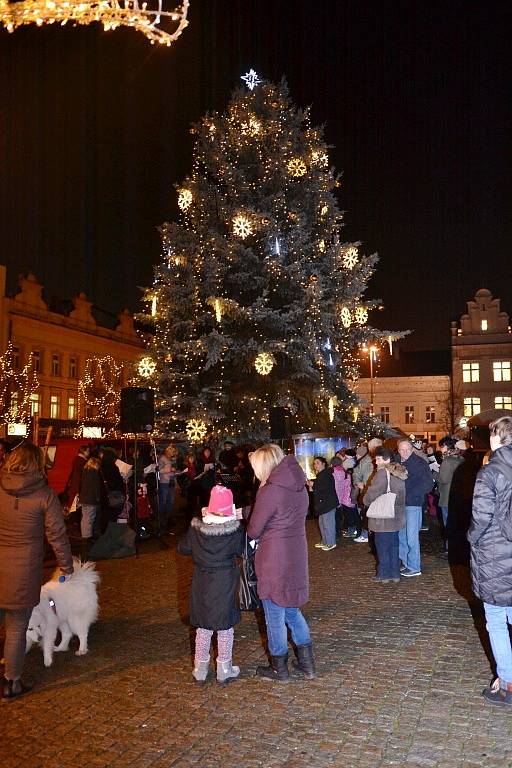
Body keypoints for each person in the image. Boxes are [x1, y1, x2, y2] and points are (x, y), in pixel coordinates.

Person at [0, 442, 73, 701]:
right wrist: (66, 566)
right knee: (17, 627)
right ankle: (11, 683)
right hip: (23, 569)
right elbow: (57, 534)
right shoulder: (45, 494)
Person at [248, 444, 314, 682]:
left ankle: (279, 668)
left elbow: (255, 529)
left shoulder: (270, 490)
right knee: (293, 611)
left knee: (274, 614)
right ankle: (308, 665)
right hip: (296, 552)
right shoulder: (299, 486)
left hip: (274, 557)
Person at [177, 485, 244, 684]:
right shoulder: (235, 530)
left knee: (203, 628)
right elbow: (242, 550)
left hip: (202, 582)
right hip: (225, 582)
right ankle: (224, 667)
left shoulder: (197, 529)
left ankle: (200, 668)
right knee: (225, 627)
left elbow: (183, 548)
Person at [467, 416, 512, 706]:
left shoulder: (491, 470)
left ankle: (507, 682)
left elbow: (481, 517)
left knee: (496, 619)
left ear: (498, 437)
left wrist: (471, 538)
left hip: (496, 553)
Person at [363, 447, 407, 583]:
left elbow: (372, 494)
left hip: (383, 518)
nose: (376, 462)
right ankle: (395, 573)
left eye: (378, 459)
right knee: (394, 545)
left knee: (382, 546)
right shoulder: (398, 473)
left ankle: (383, 574)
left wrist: (364, 500)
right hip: (395, 517)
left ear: (387, 460)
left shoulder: (382, 474)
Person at [397, 439, 435, 577]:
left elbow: (428, 484)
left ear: (412, 449)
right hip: (400, 505)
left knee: (411, 537)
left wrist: (411, 494)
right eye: (402, 450)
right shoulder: (398, 463)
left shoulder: (420, 463)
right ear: (398, 450)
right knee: (402, 536)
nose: (405, 452)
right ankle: (407, 563)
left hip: (413, 504)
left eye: (407, 449)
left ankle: (414, 566)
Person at [352, 438, 383, 542]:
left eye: (371, 447)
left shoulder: (385, 457)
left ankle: (375, 539)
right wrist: (358, 482)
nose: (369, 449)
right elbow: (356, 472)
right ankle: (371, 537)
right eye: (369, 447)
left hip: (380, 493)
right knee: (368, 516)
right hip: (368, 493)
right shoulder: (366, 459)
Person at [437, 436, 464, 551]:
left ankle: (449, 547)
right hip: (459, 496)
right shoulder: (461, 459)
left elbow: (443, 479)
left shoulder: (447, 461)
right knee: (458, 523)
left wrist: (435, 474)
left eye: (442, 446)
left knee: (448, 523)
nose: (441, 449)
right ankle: (457, 545)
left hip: (447, 497)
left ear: (447, 446)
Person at [310, 456, 338, 551]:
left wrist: (313, 485)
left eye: (317, 463)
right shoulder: (322, 474)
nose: (315, 465)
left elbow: (323, 488)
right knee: (322, 523)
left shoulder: (326, 474)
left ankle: (331, 542)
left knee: (328, 523)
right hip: (324, 503)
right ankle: (325, 541)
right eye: (314, 463)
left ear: (323, 464)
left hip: (328, 503)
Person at [78, 456, 102, 557]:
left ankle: (85, 536)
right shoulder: (94, 473)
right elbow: (96, 487)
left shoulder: (85, 471)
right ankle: (87, 538)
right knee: (89, 519)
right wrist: (98, 497)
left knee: (85, 518)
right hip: (91, 499)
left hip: (84, 498)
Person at [63, 444, 90, 513]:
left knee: (73, 505)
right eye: (88, 451)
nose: (89, 453)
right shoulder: (82, 461)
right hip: (78, 487)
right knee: (74, 506)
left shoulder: (77, 460)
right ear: (84, 451)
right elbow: (80, 476)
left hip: (74, 486)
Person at [157, 445, 178, 534]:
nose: (173, 452)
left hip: (171, 482)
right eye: (171, 451)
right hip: (164, 483)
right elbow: (159, 470)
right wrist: (170, 469)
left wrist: (177, 473)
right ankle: (161, 523)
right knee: (163, 502)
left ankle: (167, 521)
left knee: (171, 502)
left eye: (173, 451)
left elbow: (173, 472)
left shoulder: (172, 459)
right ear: (167, 450)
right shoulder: (162, 458)